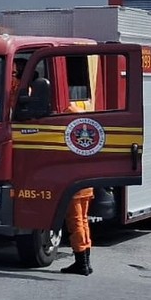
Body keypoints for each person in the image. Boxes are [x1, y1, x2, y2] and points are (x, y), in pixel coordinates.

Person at [61, 102, 94, 275]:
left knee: (75, 223)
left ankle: (81, 263)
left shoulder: (70, 138)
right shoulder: (88, 138)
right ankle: (86, 261)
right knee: (83, 221)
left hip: (74, 186)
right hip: (86, 185)